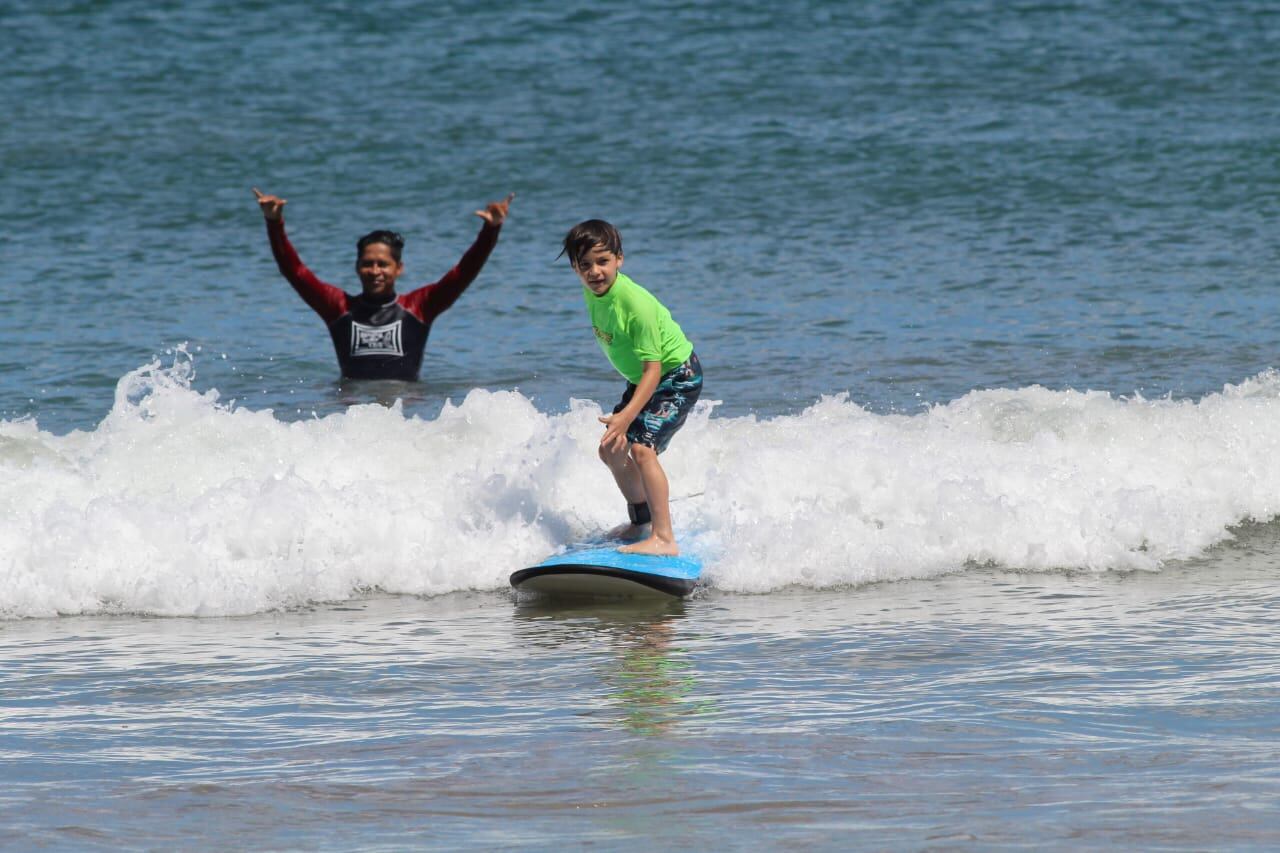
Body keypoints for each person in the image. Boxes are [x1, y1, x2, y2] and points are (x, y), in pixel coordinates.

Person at [252, 188, 514, 380]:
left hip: (403, 415)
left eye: (383, 264)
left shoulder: (420, 306)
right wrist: (274, 223)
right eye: (367, 264)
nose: (375, 271)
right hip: (352, 417)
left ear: (398, 269)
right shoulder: (338, 307)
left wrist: (490, 231)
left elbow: (463, 273)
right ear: (357, 267)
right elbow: (295, 272)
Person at [561, 219, 703, 556]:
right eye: (584, 265)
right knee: (610, 449)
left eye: (603, 261)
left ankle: (665, 538)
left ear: (619, 259)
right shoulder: (593, 290)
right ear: (575, 268)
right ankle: (641, 523)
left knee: (641, 449)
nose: (595, 272)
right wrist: (624, 418)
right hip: (644, 379)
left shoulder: (635, 303)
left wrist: (626, 415)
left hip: (676, 377)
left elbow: (654, 371)